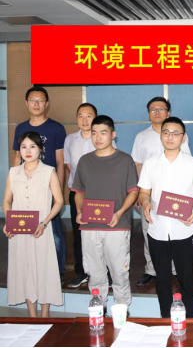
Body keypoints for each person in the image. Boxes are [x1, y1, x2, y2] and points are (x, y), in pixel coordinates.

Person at [138, 117, 193, 319]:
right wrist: (145, 203)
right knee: (162, 279)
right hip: (157, 229)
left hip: (184, 230)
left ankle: (189, 319)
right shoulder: (151, 164)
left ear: (183, 138)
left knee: (186, 278)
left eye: (176, 133)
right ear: (161, 136)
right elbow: (144, 192)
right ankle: (165, 319)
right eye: (166, 132)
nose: (170, 137)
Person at [73, 116, 139, 311]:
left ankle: (122, 311)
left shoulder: (125, 160)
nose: (98, 138)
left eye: (103, 133)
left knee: (119, 273)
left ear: (113, 135)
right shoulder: (85, 161)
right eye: (94, 133)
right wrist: (79, 210)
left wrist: (119, 212)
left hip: (117, 225)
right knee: (94, 274)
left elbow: (133, 192)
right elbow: (79, 192)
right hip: (89, 226)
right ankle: (98, 310)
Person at [3, 132, 64, 317]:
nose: (27, 151)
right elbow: (7, 201)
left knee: (43, 269)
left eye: (32, 146)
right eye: (23, 147)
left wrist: (44, 223)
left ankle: (44, 316)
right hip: (19, 231)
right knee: (25, 269)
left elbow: (59, 201)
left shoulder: (49, 172)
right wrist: (9, 222)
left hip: (41, 229)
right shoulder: (13, 172)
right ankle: (32, 317)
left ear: (40, 149)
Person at [132, 97, 191, 287]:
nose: (157, 112)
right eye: (153, 109)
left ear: (168, 112)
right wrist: (139, 192)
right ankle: (151, 269)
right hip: (150, 193)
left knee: (175, 232)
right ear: (148, 113)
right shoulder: (141, 137)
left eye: (161, 109)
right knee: (149, 230)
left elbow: (187, 163)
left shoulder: (180, 135)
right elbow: (138, 165)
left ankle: (174, 269)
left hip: (175, 194)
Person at [12, 86, 66, 283]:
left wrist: (58, 191)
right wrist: (15, 187)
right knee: (25, 229)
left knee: (54, 232)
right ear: (26, 103)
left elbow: (60, 161)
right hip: (25, 187)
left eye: (40, 100)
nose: (36, 104)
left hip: (48, 187)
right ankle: (29, 271)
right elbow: (16, 158)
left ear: (47, 104)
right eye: (32, 100)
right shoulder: (20, 128)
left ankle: (58, 272)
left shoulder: (56, 128)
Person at [64, 103, 110, 289]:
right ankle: (81, 272)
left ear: (95, 118)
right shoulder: (70, 140)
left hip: (101, 195)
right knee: (79, 233)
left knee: (103, 234)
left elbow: (110, 163)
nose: (84, 120)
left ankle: (106, 273)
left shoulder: (102, 138)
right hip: (78, 193)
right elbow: (69, 165)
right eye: (80, 116)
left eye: (88, 116)